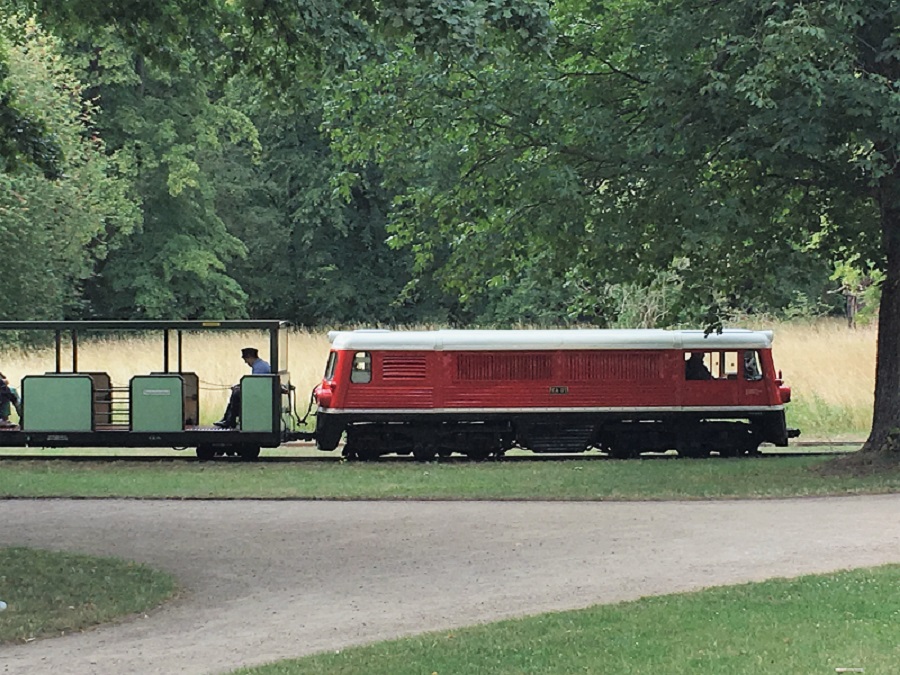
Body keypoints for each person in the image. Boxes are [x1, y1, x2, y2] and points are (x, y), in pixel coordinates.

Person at [214, 347, 271, 429]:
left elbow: (255, 385)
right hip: (263, 393)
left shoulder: (259, 367)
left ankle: (230, 420)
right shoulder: (261, 364)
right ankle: (227, 419)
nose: (245, 362)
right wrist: (239, 386)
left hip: (260, 396)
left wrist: (239, 388)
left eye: (246, 359)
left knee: (236, 395)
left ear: (250, 357)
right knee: (236, 392)